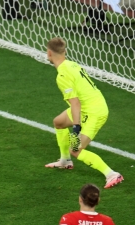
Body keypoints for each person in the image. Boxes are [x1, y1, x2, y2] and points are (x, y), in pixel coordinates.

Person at [44, 37, 123, 189]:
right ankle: (65, 161)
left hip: (94, 111)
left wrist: (76, 127)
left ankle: (111, 174)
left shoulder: (62, 76)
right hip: (90, 105)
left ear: (49, 53)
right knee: (58, 122)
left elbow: (75, 103)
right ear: (64, 52)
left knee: (76, 149)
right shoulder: (71, 64)